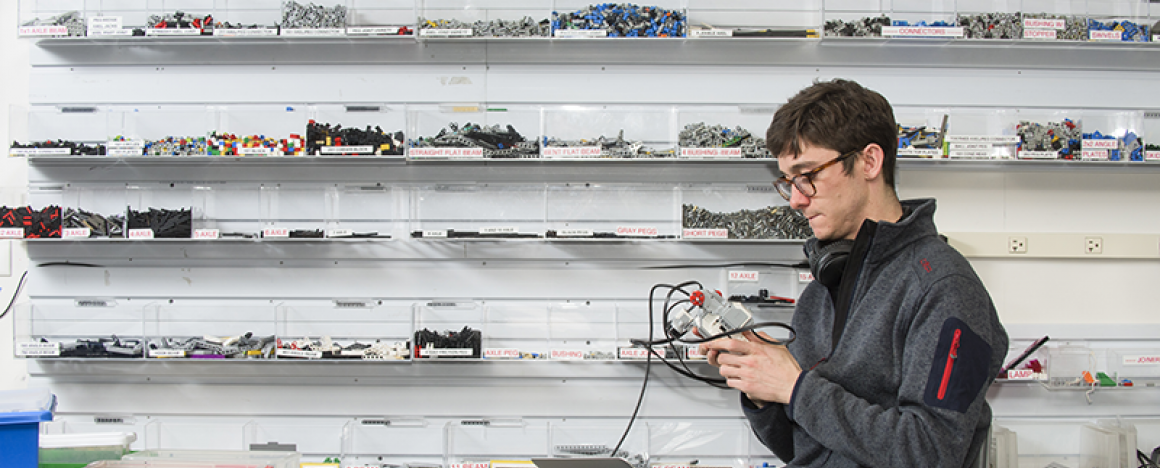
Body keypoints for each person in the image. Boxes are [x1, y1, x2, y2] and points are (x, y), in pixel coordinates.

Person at [700, 79, 1009, 468]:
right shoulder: (824, 289)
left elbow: (931, 453)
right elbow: (805, 450)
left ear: (869, 162)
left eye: (807, 175)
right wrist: (762, 390)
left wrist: (795, 388)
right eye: (788, 182)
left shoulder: (946, 288)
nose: (796, 199)